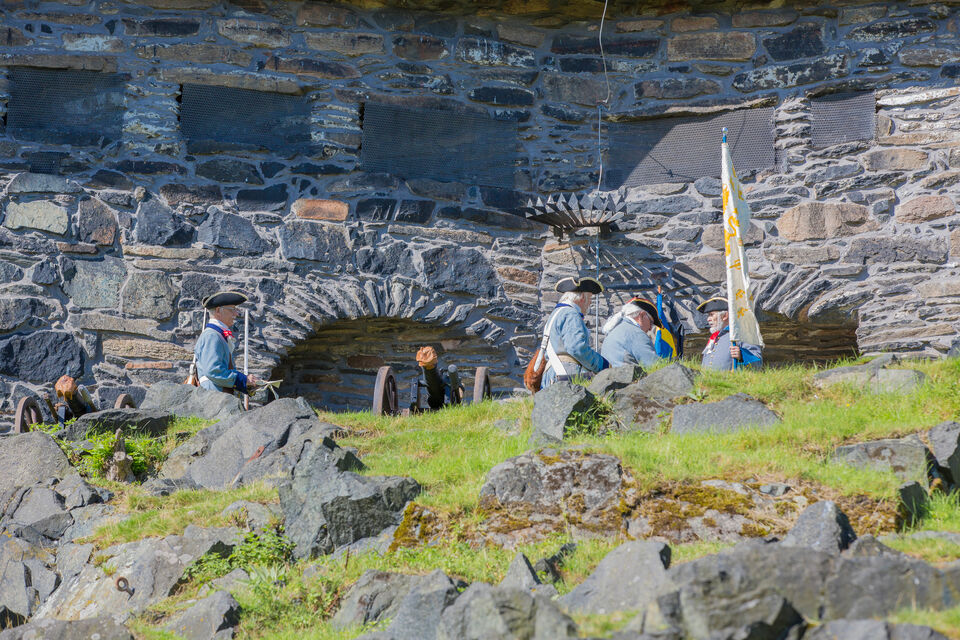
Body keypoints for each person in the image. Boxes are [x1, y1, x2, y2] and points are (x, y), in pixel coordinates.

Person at [538, 277, 610, 388]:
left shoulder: (556, 313)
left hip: (554, 373)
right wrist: (603, 364)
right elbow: (577, 348)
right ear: (582, 297)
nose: (590, 303)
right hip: (566, 373)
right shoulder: (571, 314)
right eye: (590, 298)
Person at [194, 291, 257, 395]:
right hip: (212, 396)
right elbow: (213, 371)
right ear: (218, 311)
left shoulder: (216, 335)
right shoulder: (211, 335)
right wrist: (243, 380)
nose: (236, 313)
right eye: (232, 309)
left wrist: (246, 383)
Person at [698, 296, 762, 370]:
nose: (708, 319)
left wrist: (741, 355)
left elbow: (758, 364)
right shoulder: (715, 337)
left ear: (725, 316)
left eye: (711, 314)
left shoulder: (743, 333)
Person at [601, 297, 663, 369]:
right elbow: (655, 365)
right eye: (651, 322)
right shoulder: (636, 334)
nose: (650, 328)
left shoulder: (617, 329)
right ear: (642, 315)